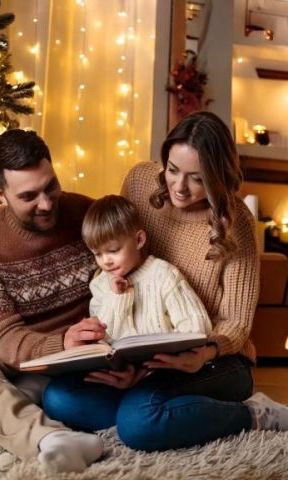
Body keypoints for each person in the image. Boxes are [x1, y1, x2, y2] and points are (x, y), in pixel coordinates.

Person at [42, 111, 288, 451]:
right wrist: (129, 366)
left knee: (139, 423)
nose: (179, 187)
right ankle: (161, 412)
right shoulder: (140, 182)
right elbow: (119, 249)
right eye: (172, 170)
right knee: (58, 397)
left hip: (214, 358)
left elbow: (237, 324)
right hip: (144, 352)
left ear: (217, 177)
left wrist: (201, 354)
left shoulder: (236, 224)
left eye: (197, 178)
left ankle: (252, 415)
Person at [0, 129, 105, 474]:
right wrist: (60, 342)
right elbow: (6, 338)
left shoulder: (87, 213)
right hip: (24, 359)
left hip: (86, 357)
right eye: (29, 196)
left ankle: (24, 430)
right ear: (0, 193)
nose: (46, 203)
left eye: (50, 186)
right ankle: (50, 440)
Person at [81, 194, 212, 341]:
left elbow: (198, 325)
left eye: (113, 250)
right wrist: (116, 297)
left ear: (139, 240)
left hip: (166, 360)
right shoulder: (99, 285)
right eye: (97, 254)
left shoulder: (164, 275)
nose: (106, 261)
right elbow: (103, 338)